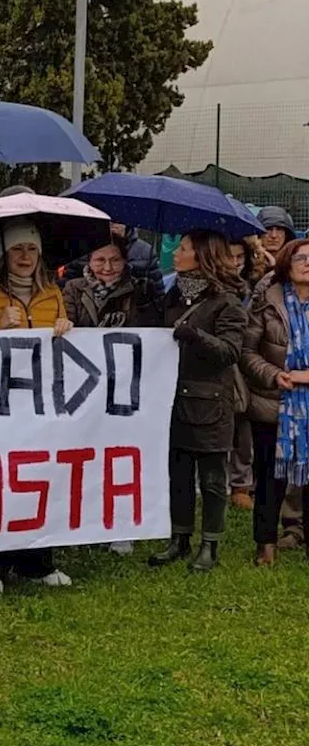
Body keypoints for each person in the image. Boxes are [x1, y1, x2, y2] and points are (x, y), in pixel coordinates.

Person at [0, 219, 74, 593]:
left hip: (36, 401)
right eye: (18, 249)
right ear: (4, 253)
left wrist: (68, 325)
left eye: (31, 249)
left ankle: (37, 562)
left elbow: (61, 339)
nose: (25, 257)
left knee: (37, 475)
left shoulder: (52, 291)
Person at [148, 231, 247, 572]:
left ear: (203, 256)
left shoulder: (228, 302)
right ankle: (179, 538)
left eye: (185, 248)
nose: (176, 253)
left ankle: (210, 544)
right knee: (177, 474)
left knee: (212, 479)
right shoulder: (173, 295)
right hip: (172, 398)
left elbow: (230, 352)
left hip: (211, 404)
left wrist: (195, 334)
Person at [61, 234, 163, 555]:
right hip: (84, 386)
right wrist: (63, 323)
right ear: (88, 262)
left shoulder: (138, 289)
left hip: (124, 387)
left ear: (125, 261)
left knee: (121, 457)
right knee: (86, 457)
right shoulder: (73, 289)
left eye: (115, 260)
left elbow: (152, 331)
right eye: (99, 260)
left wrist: (147, 302)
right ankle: (87, 524)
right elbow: (66, 321)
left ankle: (122, 527)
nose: (107, 267)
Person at [240, 238, 309, 567]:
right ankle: (265, 545)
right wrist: (272, 374)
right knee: (269, 476)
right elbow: (247, 351)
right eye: (301, 258)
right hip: (272, 402)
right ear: (286, 263)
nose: (307, 263)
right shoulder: (267, 300)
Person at [225, 237, 268, 510]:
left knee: (243, 426)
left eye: (241, 256)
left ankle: (241, 483)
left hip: (247, 364)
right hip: (220, 362)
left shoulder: (256, 288)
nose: (236, 262)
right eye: (230, 256)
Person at [62, 223, 164, 294]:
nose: (113, 224)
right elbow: (67, 285)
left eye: (118, 220)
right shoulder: (82, 248)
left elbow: (158, 291)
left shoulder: (145, 251)